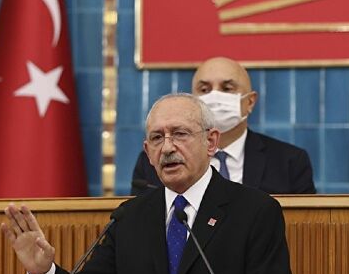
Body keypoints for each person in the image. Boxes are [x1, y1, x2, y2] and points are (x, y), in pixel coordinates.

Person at [4, 93, 293, 274]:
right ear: (148, 153)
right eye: (157, 138)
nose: (167, 148)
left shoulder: (254, 211)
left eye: (180, 134)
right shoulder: (130, 217)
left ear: (211, 142)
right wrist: (43, 272)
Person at [132, 56, 316, 195]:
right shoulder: (158, 161)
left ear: (250, 102)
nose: (214, 96)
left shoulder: (289, 161)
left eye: (227, 89)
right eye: (204, 90)